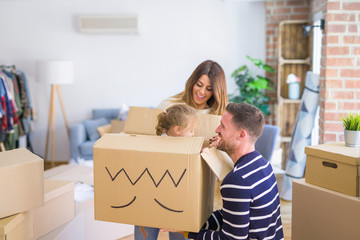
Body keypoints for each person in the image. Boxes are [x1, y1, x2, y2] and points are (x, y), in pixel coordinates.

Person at [184, 103, 284, 239]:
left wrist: (186, 232)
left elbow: (230, 239)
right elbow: (231, 214)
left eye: (223, 126)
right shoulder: (263, 164)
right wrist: (189, 223)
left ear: (241, 135)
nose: (217, 130)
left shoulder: (237, 180)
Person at [134, 104, 198, 240]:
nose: (194, 135)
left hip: (175, 203)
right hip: (150, 204)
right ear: (178, 130)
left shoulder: (189, 148)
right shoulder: (154, 146)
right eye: (191, 131)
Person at [158, 60, 228, 115]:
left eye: (209, 89)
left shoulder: (219, 115)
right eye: (199, 85)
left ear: (216, 92)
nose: (202, 92)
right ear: (192, 82)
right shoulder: (168, 105)